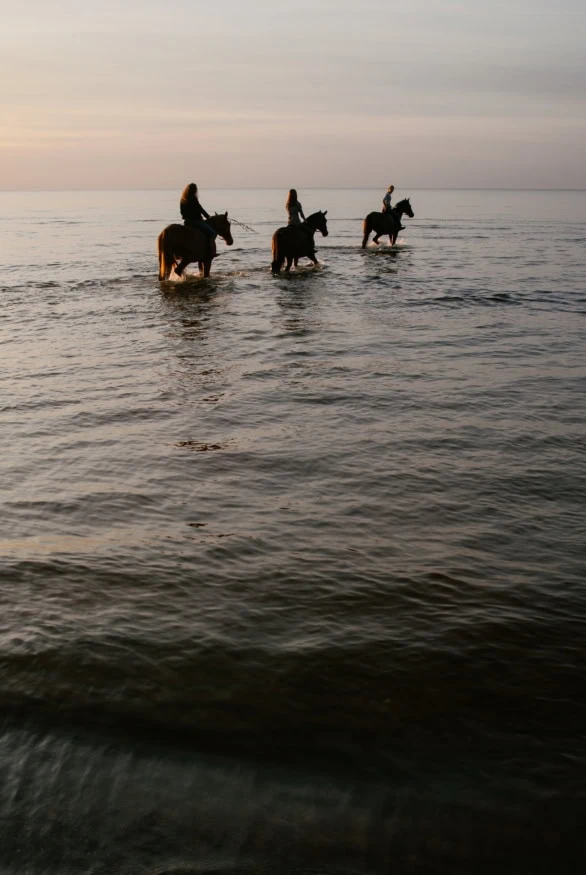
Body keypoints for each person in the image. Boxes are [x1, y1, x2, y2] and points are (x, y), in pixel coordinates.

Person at [179, 183, 217, 266]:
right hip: (196, 221)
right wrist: (208, 217)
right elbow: (200, 209)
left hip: (187, 222)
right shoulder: (193, 199)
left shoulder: (183, 199)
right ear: (195, 190)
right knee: (212, 233)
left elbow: (181, 212)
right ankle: (209, 252)